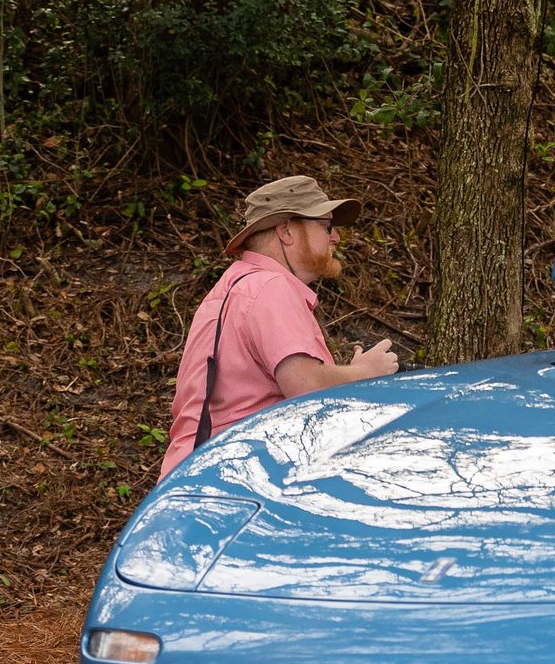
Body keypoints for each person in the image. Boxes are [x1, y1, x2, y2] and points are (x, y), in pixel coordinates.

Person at [158, 176, 400, 479]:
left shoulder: (237, 285)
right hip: (237, 477)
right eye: (326, 226)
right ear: (286, 231)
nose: (336, 237)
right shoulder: (270, 287)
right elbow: (305, 386)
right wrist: (366, 372)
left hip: (204, 475)